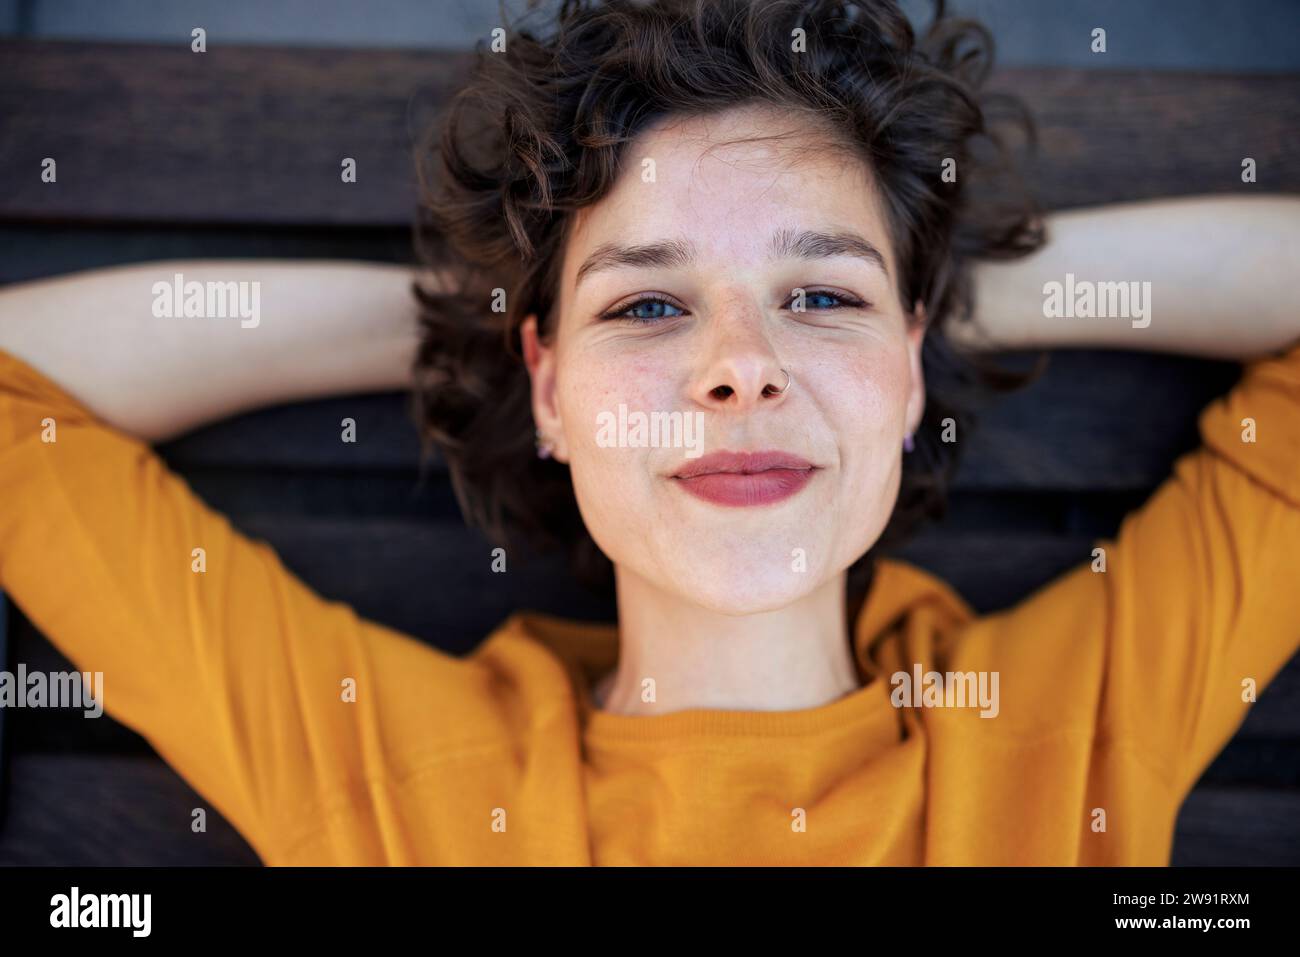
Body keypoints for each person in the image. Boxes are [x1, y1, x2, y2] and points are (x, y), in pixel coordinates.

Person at [0, 0, 1297, 865]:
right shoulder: (396, 781)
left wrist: (936, 288)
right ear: (550, 391)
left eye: (820, 297)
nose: (740, 368)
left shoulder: (1073, 730)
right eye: (653, 303)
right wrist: (493, 324)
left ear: (912, 372)